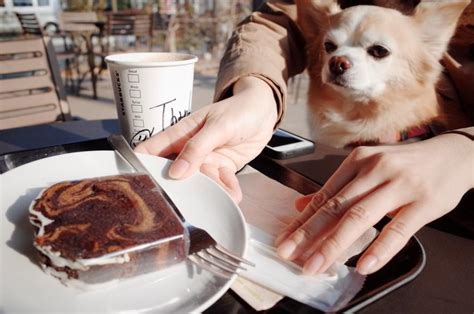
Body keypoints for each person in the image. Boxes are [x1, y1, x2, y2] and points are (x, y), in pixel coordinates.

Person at [135, 0, 474, 276]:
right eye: (331, 47)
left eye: (378, 52)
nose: (339, 60)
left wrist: (464, 151)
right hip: (336, 160)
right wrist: (257, 92)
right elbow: (278, 21)